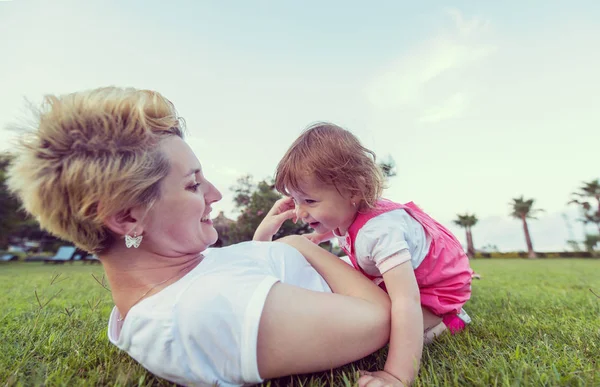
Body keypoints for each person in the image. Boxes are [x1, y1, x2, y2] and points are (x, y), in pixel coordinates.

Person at [6, 88, 393, 387]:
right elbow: (381, 317)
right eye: (193, 184)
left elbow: (253, 272)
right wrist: (294, 246)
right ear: (127, 217)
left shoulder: (182, 275)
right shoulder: (200, 313)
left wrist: (270, 244)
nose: (214, 194)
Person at [271, 122, 475, 386]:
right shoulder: (350, 212)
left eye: (309, 201)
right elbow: (346, 228)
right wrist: (321, 235)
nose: (299, 212)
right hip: (425, 277)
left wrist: (397, 375)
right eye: (296, 201)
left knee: (381, 324)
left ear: (354, 190)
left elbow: (406, 301)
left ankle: (450, 319)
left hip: (437, 291)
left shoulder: (380, 232)